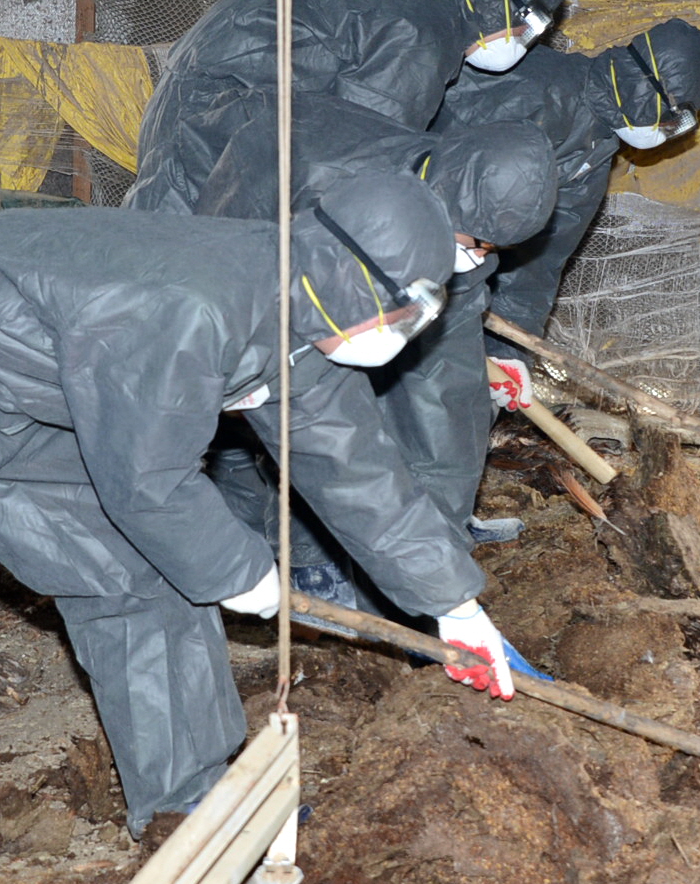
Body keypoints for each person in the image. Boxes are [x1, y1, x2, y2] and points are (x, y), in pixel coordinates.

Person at [0, 176, 519, 884]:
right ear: (355, 280)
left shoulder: (303, 316)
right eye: (407, 310)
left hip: (28, 399)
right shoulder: (194, 307)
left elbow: (357, 469)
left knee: (139, 577)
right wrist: (244, 573)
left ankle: (188, 797)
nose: (408, 332)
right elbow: (148, 483)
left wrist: (454, 605)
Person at [193, 93, 558, 605]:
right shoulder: (331, 193)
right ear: (448, 200)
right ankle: (305, 562)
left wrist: (440, 564)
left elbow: (447, 392)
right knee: (297, 410)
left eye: (494, 248)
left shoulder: (466, 217)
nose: (481, 256)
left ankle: (432, 540)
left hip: (369, 259)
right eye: (478, 242)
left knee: (448, 406)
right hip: (261, 240)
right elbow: (313, 414)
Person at [128, 0, 567, 215]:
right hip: (215, 138)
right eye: (530, 26)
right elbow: (352, 156)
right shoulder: (419, 32)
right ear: (501, 0)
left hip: (187, 106)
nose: (525, 41)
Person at [434, 18, 700, 473]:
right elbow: (424, 160)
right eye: (671, 116)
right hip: (402, 255)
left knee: (465, 413)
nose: (668, 130)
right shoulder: (530, 91)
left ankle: (441, 505)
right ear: (644, 88)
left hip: (455, 278)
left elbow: (538, 262)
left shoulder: (595, 150)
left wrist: (506, 351)